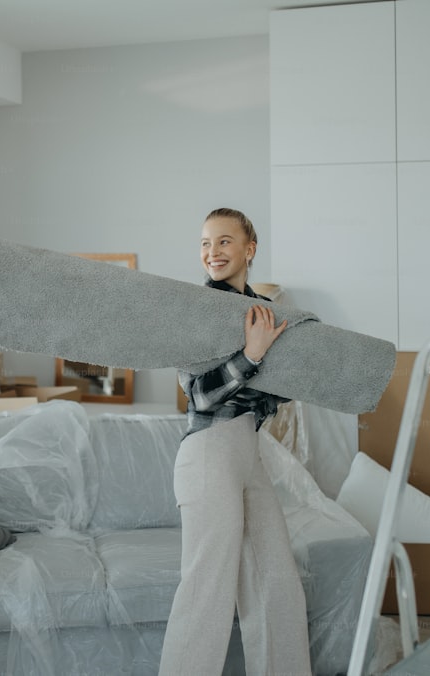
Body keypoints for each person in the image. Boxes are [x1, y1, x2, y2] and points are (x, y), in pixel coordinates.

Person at [159, 207, 312, 676]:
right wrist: (251, 356)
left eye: (224, 242)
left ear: (250, 249)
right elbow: (199, 395)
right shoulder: (196, 310)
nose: (213, 252)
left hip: (248, 453)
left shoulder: (265, 315)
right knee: (206, 592)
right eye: (206, 243)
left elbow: (264, 400)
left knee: (277, 587)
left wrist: (284, 373)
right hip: (207, 452)